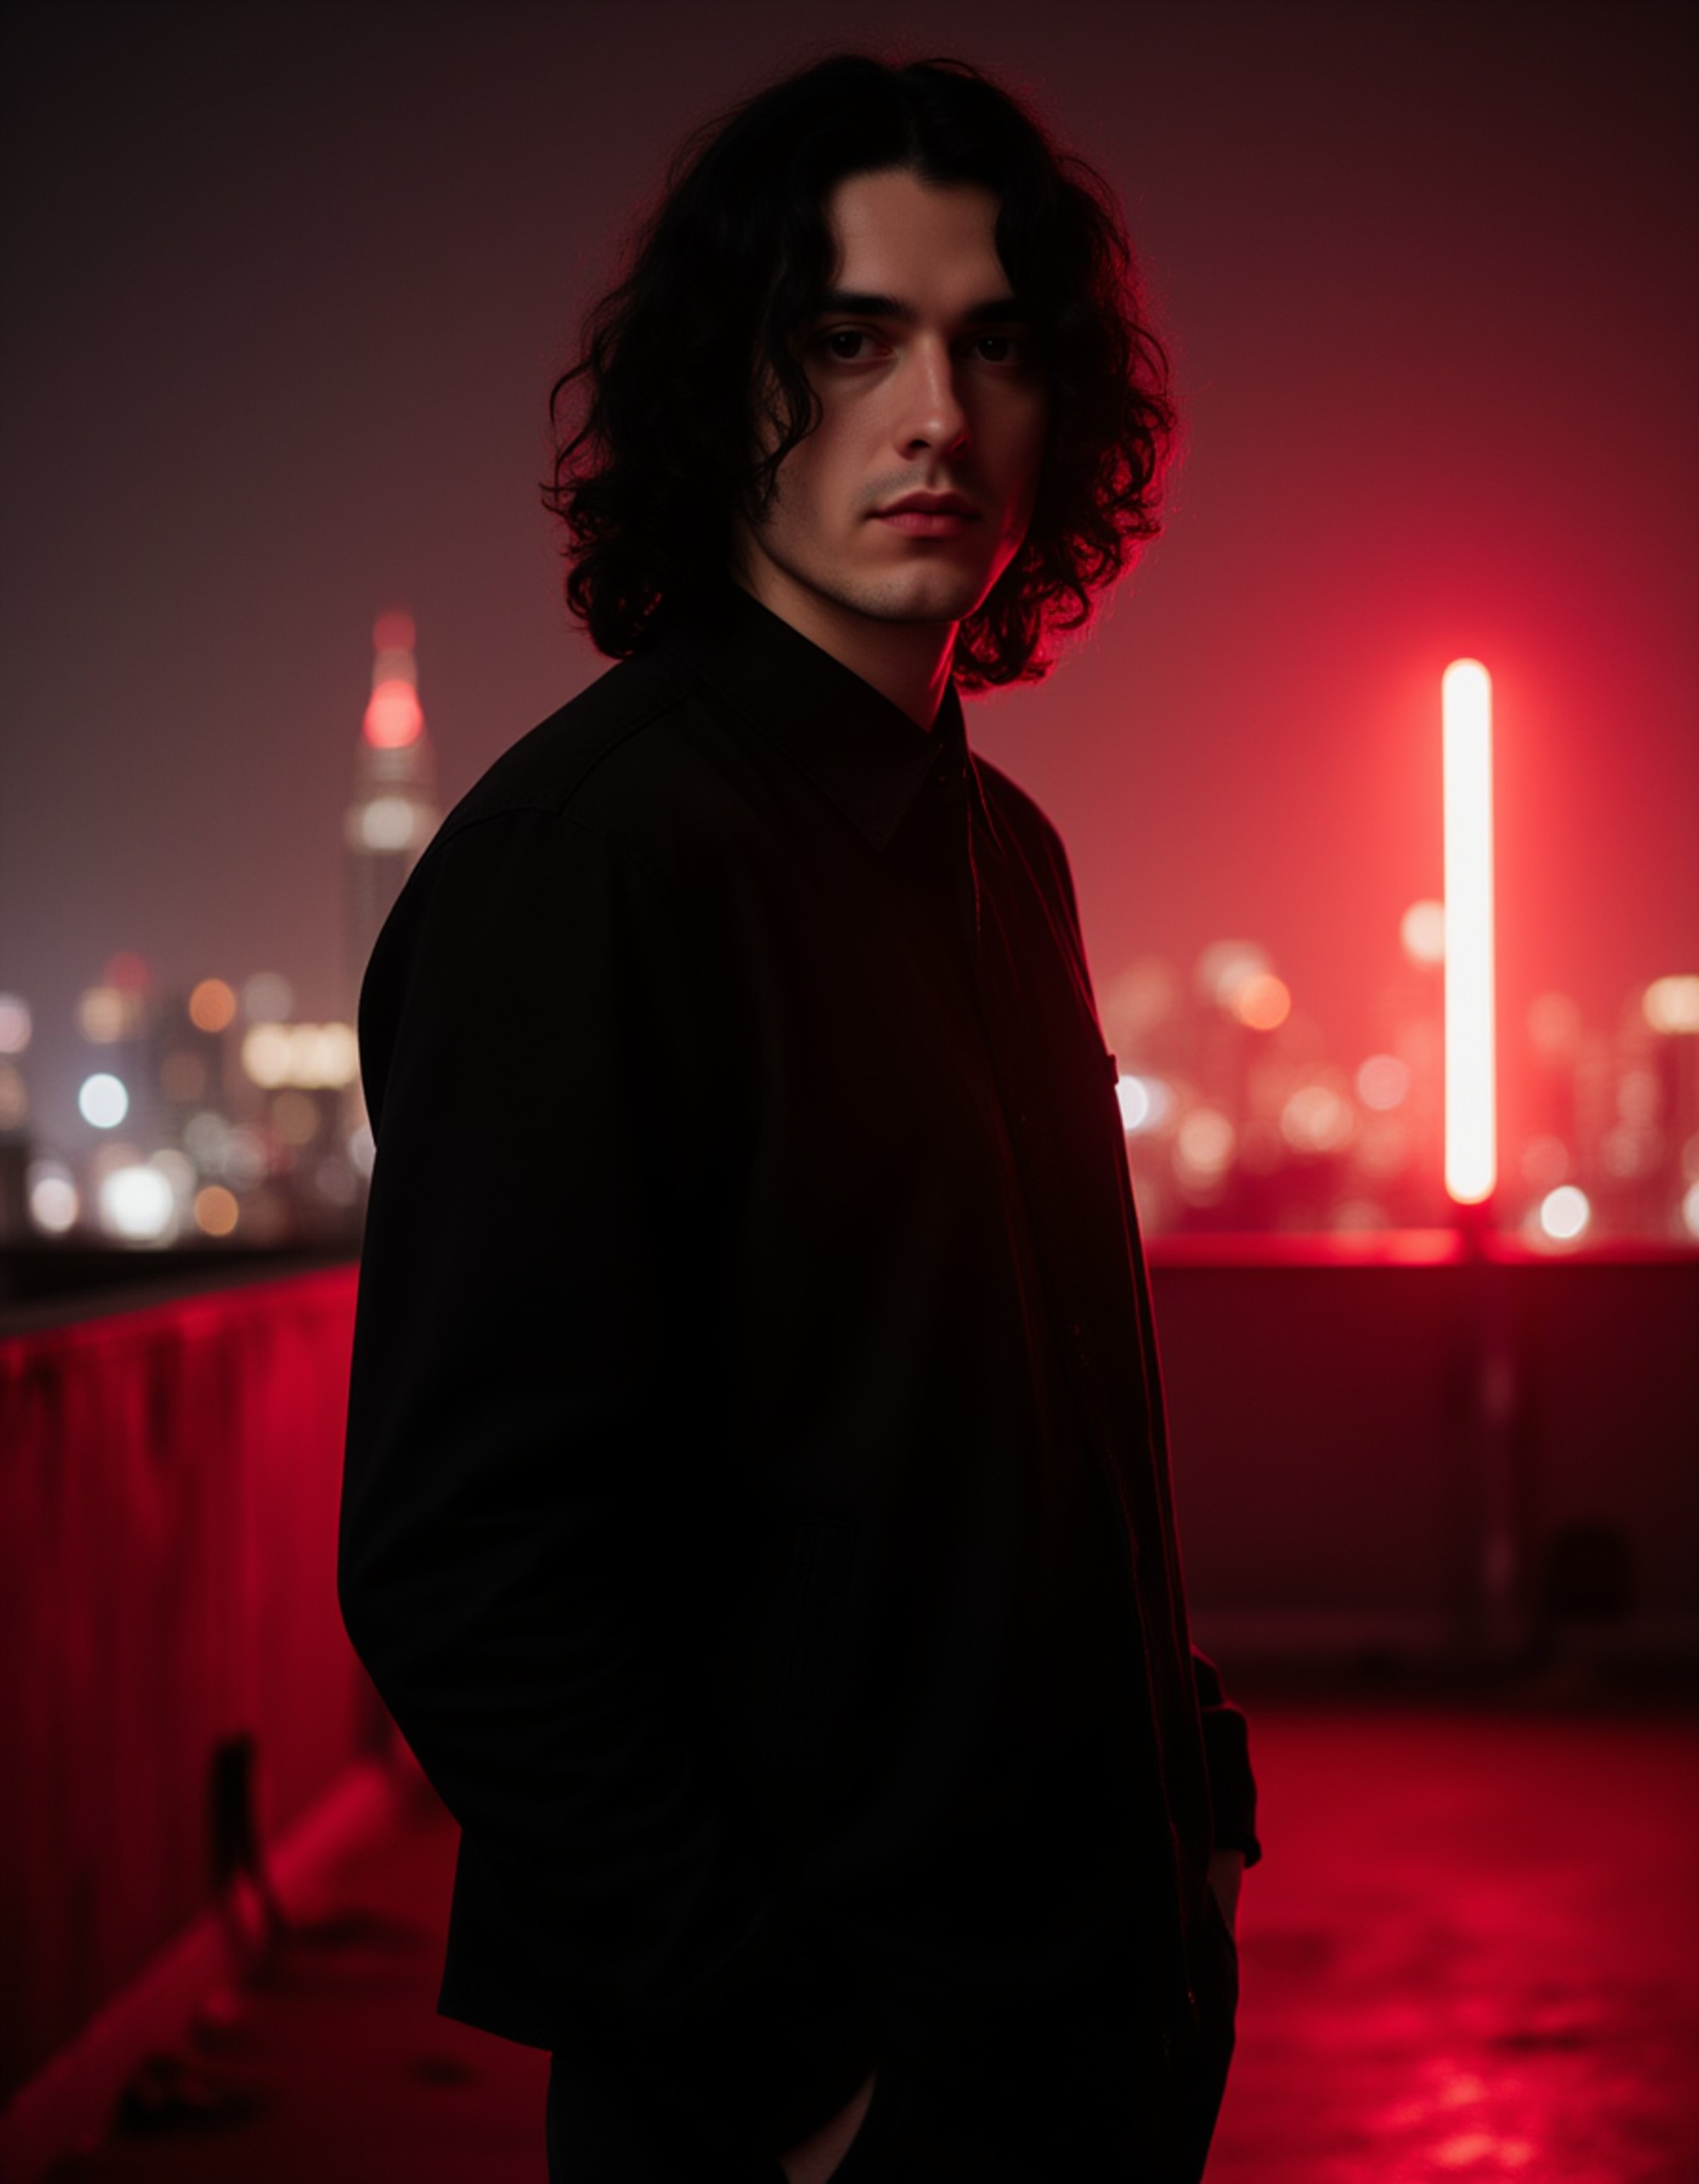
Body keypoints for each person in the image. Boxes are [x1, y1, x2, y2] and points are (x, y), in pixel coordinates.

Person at [338, 50, 1259, 2184]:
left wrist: (1191, 1822)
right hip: (806, 2105)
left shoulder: (1001, 854)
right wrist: (794, 2072)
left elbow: (1043, 1428)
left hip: (1095, 2034)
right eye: (848, 341)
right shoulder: (591, 861)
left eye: (992, 344)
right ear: (721, 393)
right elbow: (464, 1563)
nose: (932, 414)